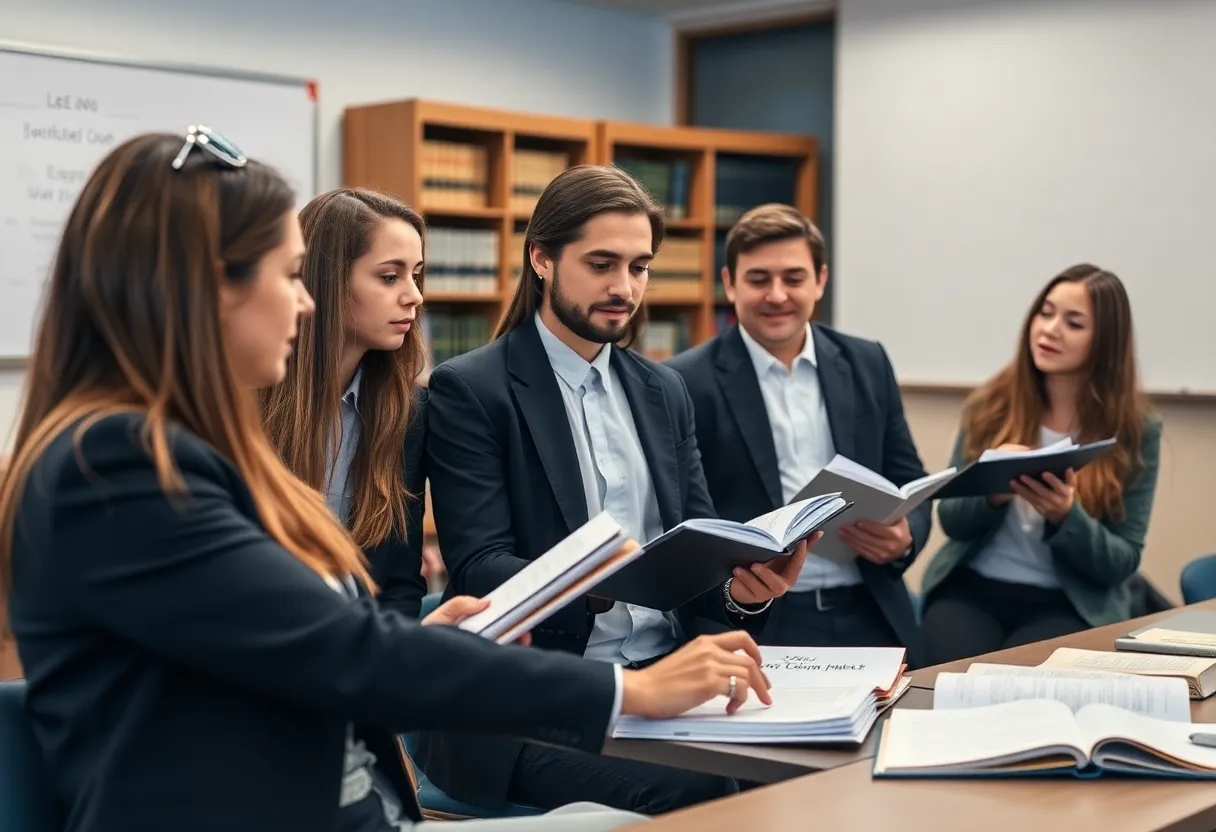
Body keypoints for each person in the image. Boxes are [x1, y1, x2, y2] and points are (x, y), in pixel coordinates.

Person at [0, 130, 774, 832]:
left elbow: (322, 641)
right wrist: (629, 694)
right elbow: (342, 648)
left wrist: (418, 639)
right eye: (290, 274)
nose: (304, 302)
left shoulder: (151, 449)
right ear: (207, 288)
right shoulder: (117, 468)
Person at [418, 166, 812, 816]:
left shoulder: (663, 391)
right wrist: (611, 580)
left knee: (801, 766)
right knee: (709, 791)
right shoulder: (472, 389)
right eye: (602, 264)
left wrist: (742, 592)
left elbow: (698, 550)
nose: (624, 287)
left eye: (639, 266)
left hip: (668, 677)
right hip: (534, 703)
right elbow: (480, 568)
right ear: (541, 259)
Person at [667, 204, 928, 668]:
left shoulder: (867, 362)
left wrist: (906, 539)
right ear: (729, 283)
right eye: (758, 279)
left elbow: (911, 482)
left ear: (820, 280)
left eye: (793, 277)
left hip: (869, 605)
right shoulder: (683, 381)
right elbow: (682, 522)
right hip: (758, 619)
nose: (777, 295)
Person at [259, 187, 430, 828]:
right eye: (389, 277)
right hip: (270, 694)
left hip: (358, 701)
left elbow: (398, 585)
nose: (412, 296)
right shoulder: (242, 409)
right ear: (326, 285)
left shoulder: (408, 413)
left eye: (416, 275)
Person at [918, 264, 1162, 664]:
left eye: (1074, 323)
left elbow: (1121, 562)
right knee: (945, 681)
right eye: (1045, 312)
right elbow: (953, 521)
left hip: (1067, 601)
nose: (1049, 329)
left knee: (1025, 690)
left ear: (1105, 342)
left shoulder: (1136, 430)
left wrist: (1066, 515)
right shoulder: (991, 404)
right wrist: (992, 491)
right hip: (973, 587)